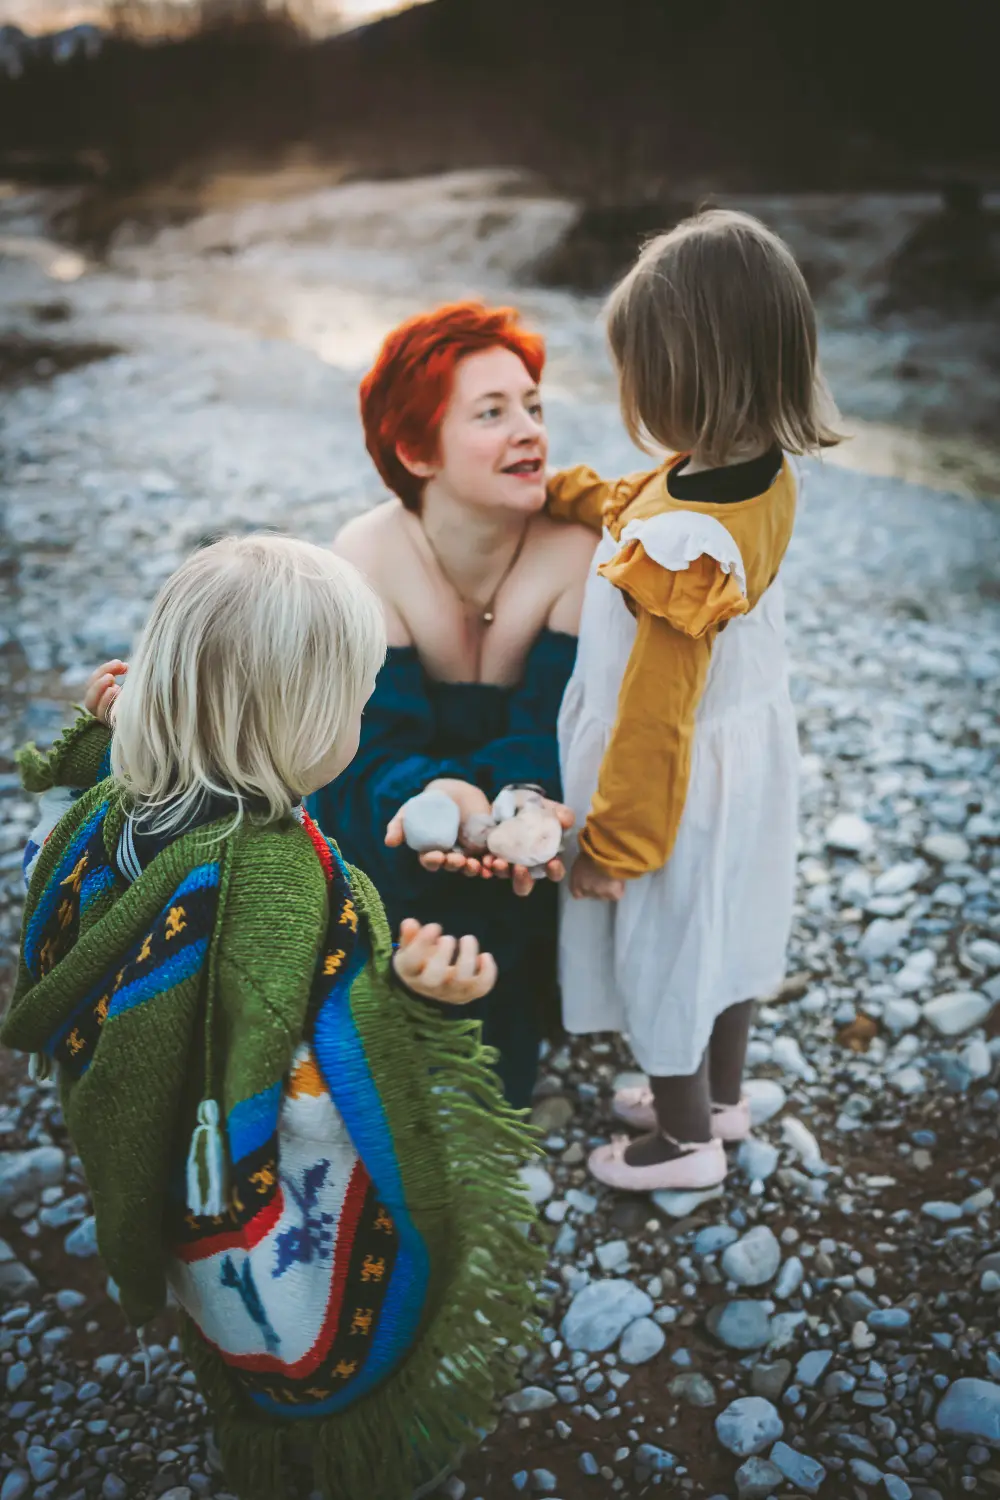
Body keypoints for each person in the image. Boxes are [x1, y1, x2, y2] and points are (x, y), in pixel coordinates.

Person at [2, 535, 543, 1500]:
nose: (363, 720)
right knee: (305, 1321)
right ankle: (353, 1451)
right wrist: (415, 1002)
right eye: (354, 703)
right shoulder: (280, 881)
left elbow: (124, 783)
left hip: (163, 1156)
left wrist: (122, 721)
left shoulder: (119, 809)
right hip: (257, 1181)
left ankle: (250, 1421)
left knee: (220, 1301)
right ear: (294, 725)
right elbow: (306, 1081)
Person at [548, 209, 842, 1192]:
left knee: (666, 946)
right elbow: (649, 493)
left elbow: (653, 712)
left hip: (675, 784)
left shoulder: (679, 547)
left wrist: (613, 847)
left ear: (682, 380)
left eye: (634, 369)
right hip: (746, 759)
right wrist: (576, 493)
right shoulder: (754, 476)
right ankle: (722, 1097)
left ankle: (682, 1142)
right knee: (726, 930)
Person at [306, 301, 597, 1111]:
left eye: (535, 407)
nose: (530, 430)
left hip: (519, 846)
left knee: (497, 1081)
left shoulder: (577, 553)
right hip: (388, 821)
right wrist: (442, 802)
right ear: (414, 449)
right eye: (492, 413)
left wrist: (509, 807)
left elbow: (549, 726)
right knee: (366, 1064)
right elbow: (362, 751)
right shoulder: (368, 556)